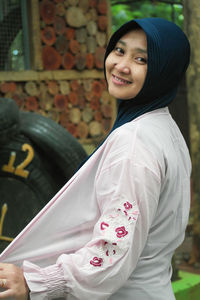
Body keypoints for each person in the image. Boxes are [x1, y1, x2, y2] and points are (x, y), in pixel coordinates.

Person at [0, 17, 191, 300]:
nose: (122, 65)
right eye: (119, 50)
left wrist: (35, 282)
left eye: (141, 59)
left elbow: (113, 250)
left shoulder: (134, 143)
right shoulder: (165, 129)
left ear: (165, 69)